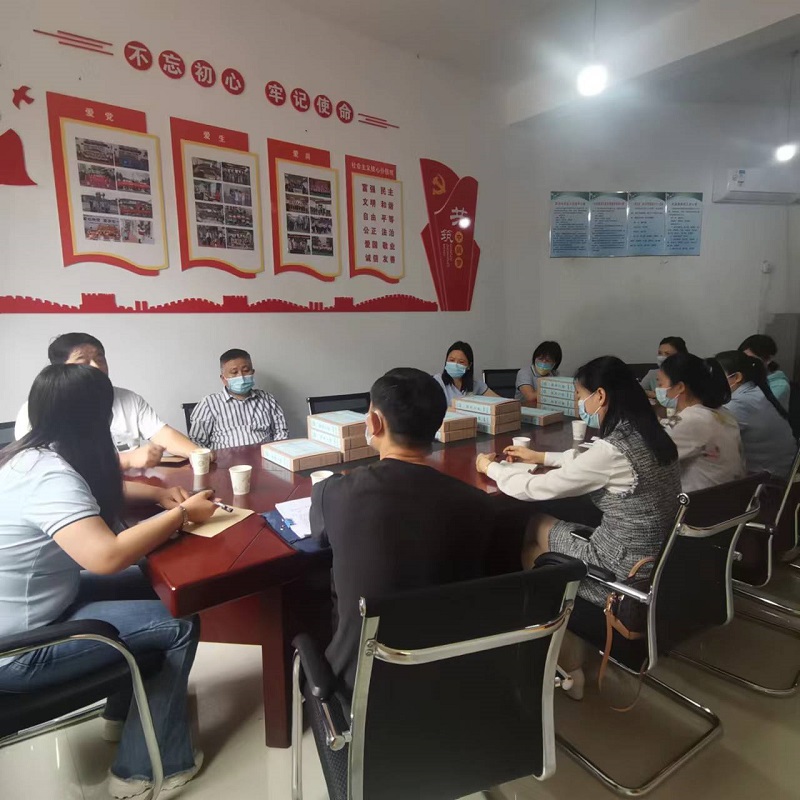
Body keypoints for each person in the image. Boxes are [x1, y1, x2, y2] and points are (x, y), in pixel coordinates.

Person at [0, 364, 218, 797]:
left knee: (150, 582)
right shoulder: (49, 476)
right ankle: (142, 770)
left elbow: (88, 490)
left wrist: (158, 494)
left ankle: (123, 714)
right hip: (19, 650)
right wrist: (181, 514)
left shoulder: (28, 455)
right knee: (179, 624)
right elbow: (106, 557)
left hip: (42, 605)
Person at [476, 356, 680, 698]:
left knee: (532, 537)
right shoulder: (653, 435)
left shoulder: (614, 449)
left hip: (619, 571)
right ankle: (561, 641)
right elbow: (591, 460)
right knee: (540, 529)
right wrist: (541, 458)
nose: (578, 403)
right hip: (660, 563)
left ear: (600, 396)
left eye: (580, 395)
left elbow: (535, 488)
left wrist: (490, 468)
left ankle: (566, 663)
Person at [310, 368, 493, 693]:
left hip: (360, 682)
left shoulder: (334, 493)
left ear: (375, 423)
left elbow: (319, 538)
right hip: (447, 676)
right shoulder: (477, 503)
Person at [14, 333, 200, 470]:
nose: (96, 367)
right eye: (83, 361)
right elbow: (42, 467)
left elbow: (163, 434)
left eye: (99, 359)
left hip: (135, 488)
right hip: (77, 495)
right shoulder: (37, 408)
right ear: (59, 369)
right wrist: (128, 460)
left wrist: (198, 454)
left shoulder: (128, 399)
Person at [656, 353, 745, 492]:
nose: (658, 389)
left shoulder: (692, 420)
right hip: (728, 497)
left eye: (661, 384)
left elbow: (648, 459)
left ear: (680, 387)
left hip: (701, 501)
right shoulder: (722, 412)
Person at [715, 350, 796, 479]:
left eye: (716, 375)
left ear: (737, 377)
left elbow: (709, 436)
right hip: (783, 469)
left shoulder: (738, 404)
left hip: (768, 480)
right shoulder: (756, 392)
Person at [189, 348, 288, 449]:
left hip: (264, 456)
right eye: (234, 372)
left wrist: (276, 453)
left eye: (246, 371)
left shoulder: (267, 399)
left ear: (252, 373)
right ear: (223, 379)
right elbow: (197, 442)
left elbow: (281, 432)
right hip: (225, 458)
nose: (241, 376)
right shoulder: (209, 404)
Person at [432, 341, 499, 405]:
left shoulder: (476, 384)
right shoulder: (437, 382)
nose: (455, 364)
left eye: (461, 362)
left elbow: (499, 402)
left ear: (469, 365)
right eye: (451, 360)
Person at [738, 334, 791, 411]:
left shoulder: (780, 385)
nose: (746, 363)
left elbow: (754, 406)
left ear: (768, 359)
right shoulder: (745, 376)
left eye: (751, 359)